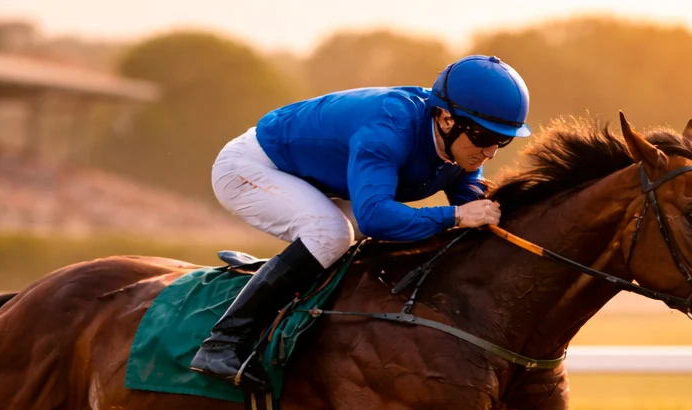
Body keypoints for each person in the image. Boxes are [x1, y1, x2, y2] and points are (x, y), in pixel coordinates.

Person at [189, 55, 532, 391]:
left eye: (503, 140)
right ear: (445, 119)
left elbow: (473, 204)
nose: (490, 152)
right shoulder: (388, 129)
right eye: (485, 138)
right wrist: (455, 216)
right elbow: (376, 216)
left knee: (362, 232)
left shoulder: (459, 143)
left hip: (313, 179)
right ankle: (221, 343)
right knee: (332, 232)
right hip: (251, 168)